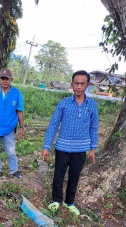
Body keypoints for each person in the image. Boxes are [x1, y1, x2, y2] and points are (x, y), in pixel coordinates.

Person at [42, 70, 99, 216]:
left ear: (87, 85)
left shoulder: (92, 105)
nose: (79, 87)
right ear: (72, 85)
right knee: (58, 175)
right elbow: (53, 124)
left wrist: (92, 148)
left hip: (81, 149)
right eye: (76, 83)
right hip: (62, 147)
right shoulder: (64, 104)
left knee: (74, 176)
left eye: (82, 83)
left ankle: (69, 202)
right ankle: (56, 200)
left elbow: (94, 127)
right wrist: (46, 146)